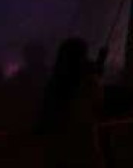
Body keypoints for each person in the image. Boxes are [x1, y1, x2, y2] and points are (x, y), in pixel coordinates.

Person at [35, 38, 102, 168]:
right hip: (83, 149)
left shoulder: (55, 83)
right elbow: (96, 106)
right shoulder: (88, 81)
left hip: (60, 150)